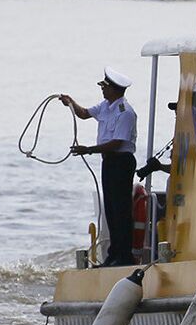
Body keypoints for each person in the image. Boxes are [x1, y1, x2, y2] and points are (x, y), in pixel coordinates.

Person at [58, 68, 139, 266]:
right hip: (109, 162)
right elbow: (84, 114)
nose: (102, 90)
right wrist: (71, 103)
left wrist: (89, 150)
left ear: (115, 89)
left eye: (105, 87)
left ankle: (124, 256)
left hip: (121, 161)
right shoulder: (105, 106)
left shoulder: (125, 113)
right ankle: (113, 255)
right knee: (110, 208)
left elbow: (117, 143)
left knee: (121, 209)